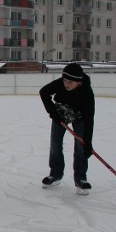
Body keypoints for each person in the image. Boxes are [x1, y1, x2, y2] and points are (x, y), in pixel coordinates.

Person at [39, 63, 95, 195]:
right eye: (64, 80)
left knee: (81, 145)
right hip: (62, 112)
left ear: (79, 82)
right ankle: (55, 174)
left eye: (70, 82)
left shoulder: (87, 93)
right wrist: (53, 113)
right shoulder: (61, 83)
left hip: (80, 115)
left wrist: (88, 142)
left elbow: (89, 119)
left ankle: (81, 178)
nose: (66, 84)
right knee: (55, 143)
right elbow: (44, 92)